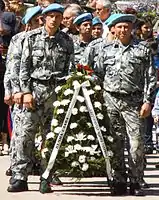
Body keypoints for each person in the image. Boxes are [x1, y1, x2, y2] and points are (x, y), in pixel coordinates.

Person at [7, 3, 74, 193]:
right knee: (24, 136)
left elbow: (71, 69)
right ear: (43, 18)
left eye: (57, 16)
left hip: (56, 95)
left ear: (62, 19)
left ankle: (47, 175)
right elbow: (24, 68)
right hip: (34, 93)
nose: (54, 19)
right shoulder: (31, 38)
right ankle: (20, 176)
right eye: (50, 16)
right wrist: (25, 91)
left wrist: (68, 92)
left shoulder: (67, 41)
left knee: (51, 137)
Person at [95, 14, 156, 196]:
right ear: (113, 28)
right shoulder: (105, 49)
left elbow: (150, 77)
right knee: (115, 142)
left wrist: (147, 101)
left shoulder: (142, 50)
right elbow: (98, 74)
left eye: (126, 27)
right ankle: (118, 180)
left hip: (134, 102)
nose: (123, 30)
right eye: (119, 27)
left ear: (132, 29)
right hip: (110, 100)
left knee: (136, 145)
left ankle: (136, 181)